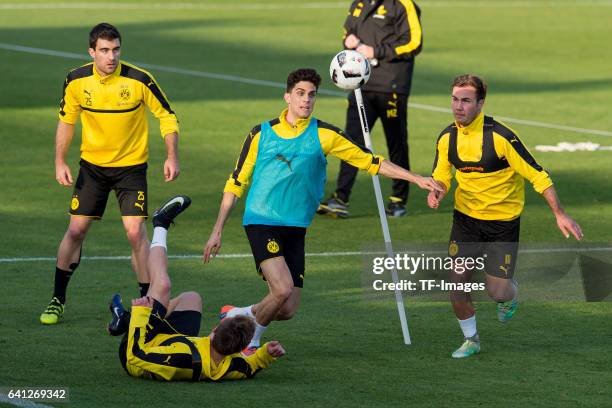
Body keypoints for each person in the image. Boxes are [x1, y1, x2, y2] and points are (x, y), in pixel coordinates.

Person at [203, 68, 441, 354]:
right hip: (261, 220)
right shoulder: (260, 134)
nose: (306, 100)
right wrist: (217, 230)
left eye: (312, 95)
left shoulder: (325, 134)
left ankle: (238, 314)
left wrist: (417, 178)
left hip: (296, 227)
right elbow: (235, 182)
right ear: (287, 96)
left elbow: (372, 162)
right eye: (300, 94)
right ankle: (250, 343)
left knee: (288, 307)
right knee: (281, 289)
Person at [428, 74, 583, 358]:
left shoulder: (501, 138)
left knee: (498, 292)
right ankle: (471, 339)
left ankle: (511, 294)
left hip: (503, 225)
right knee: (456, 283)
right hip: (466, 221)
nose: (458, 107)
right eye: (454, 99)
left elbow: (538, 176)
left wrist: (559, 213)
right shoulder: (447, 137)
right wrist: (438, 190)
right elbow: (442, 174)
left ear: (480, 103)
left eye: (465, 101)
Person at [40, 23, 180, 325]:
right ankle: (57, 299)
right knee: (76, 230)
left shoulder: (140, 80)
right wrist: (59, 161)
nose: (111, 56)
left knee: (134, 232)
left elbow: (167, 116)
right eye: (104, 50)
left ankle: (145, 303)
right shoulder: (76, 81)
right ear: (92, 52)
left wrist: (171, 155)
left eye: (116, 49)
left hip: (131, 169)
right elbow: (67, 121)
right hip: (92, 168)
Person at [108, 195, 284, 381]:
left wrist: (140, 315)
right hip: (175, 343)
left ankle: (161, 224)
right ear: (238, 351)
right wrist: (266, 354)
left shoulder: (182, 358)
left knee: (162, 285)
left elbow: (135, 355)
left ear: (214, 330)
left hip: (138, 348)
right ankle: (126, 318)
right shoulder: (230, 366)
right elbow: (249, 368)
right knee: (191, 299)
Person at [317, 0, 423, 218]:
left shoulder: (402, 5)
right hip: (360, 82)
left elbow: (414, 42)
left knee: (396, 142)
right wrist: (348, 39)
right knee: (351, 140)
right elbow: (348, 29)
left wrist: (377, 50)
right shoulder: (359, 3)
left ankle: (398, 200)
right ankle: (341, 198)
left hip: (391, 84)